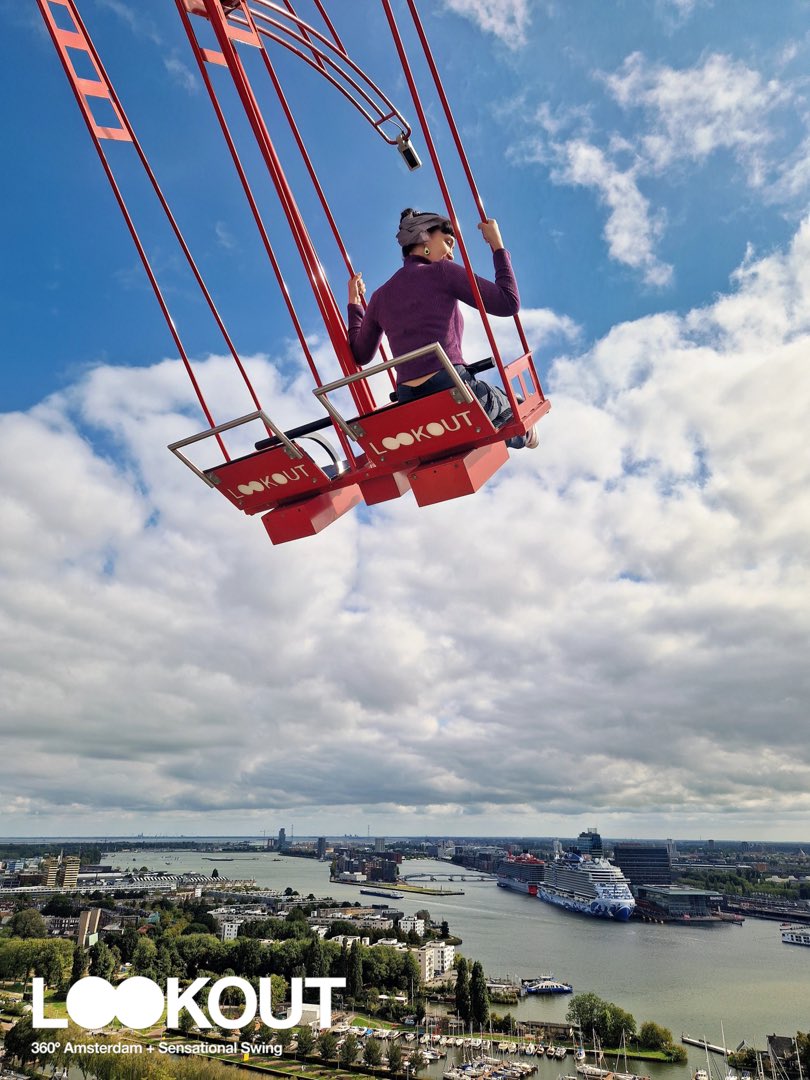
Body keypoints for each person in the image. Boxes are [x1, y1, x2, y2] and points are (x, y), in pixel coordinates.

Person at [346, 208, 539, 449]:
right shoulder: (441, 272)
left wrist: (354, 304)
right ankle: (522, 432)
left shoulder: (379, 296)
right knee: (512, 407)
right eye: (448, 243)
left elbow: (360, 354)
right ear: (424, 237)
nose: (450, 254)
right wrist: (497, 246)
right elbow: (508, 302)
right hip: (450, 386)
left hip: (409, 400)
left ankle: (509, 425)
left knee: (479, 417)